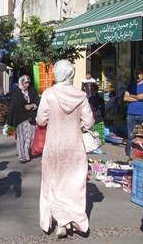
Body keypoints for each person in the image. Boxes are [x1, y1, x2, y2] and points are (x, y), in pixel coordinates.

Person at [36, 60, 94, 238]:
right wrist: (79, 127)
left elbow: (40, 120)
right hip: (74, 147)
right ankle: (75, 221)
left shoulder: (49, 94)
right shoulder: (81, 96)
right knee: (74, 186)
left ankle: (61, 222)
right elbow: (89, 122)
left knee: (52, 183)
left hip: (54, 146)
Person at [6, 75, 40, 164]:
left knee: (31, 136)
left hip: (31, 117)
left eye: (28, 82)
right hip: (19, 118)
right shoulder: (16, 93)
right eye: (25, 83)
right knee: (21, 137)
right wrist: (9, 122)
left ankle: (26, 152)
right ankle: (22, 156)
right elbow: (13, 107)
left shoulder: (32, 91)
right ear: (21, 83)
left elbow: (37, 102)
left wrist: (32, 105)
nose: (27, 85)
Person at [124, 67, 143, 159]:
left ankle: (142, 155)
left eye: (138, 73)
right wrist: (138, 97)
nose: (136, 75)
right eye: (135, 73)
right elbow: (125, 98)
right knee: (130, 136)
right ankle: (129, 155)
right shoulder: (131, 85)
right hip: (131, 114)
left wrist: (132, 95)